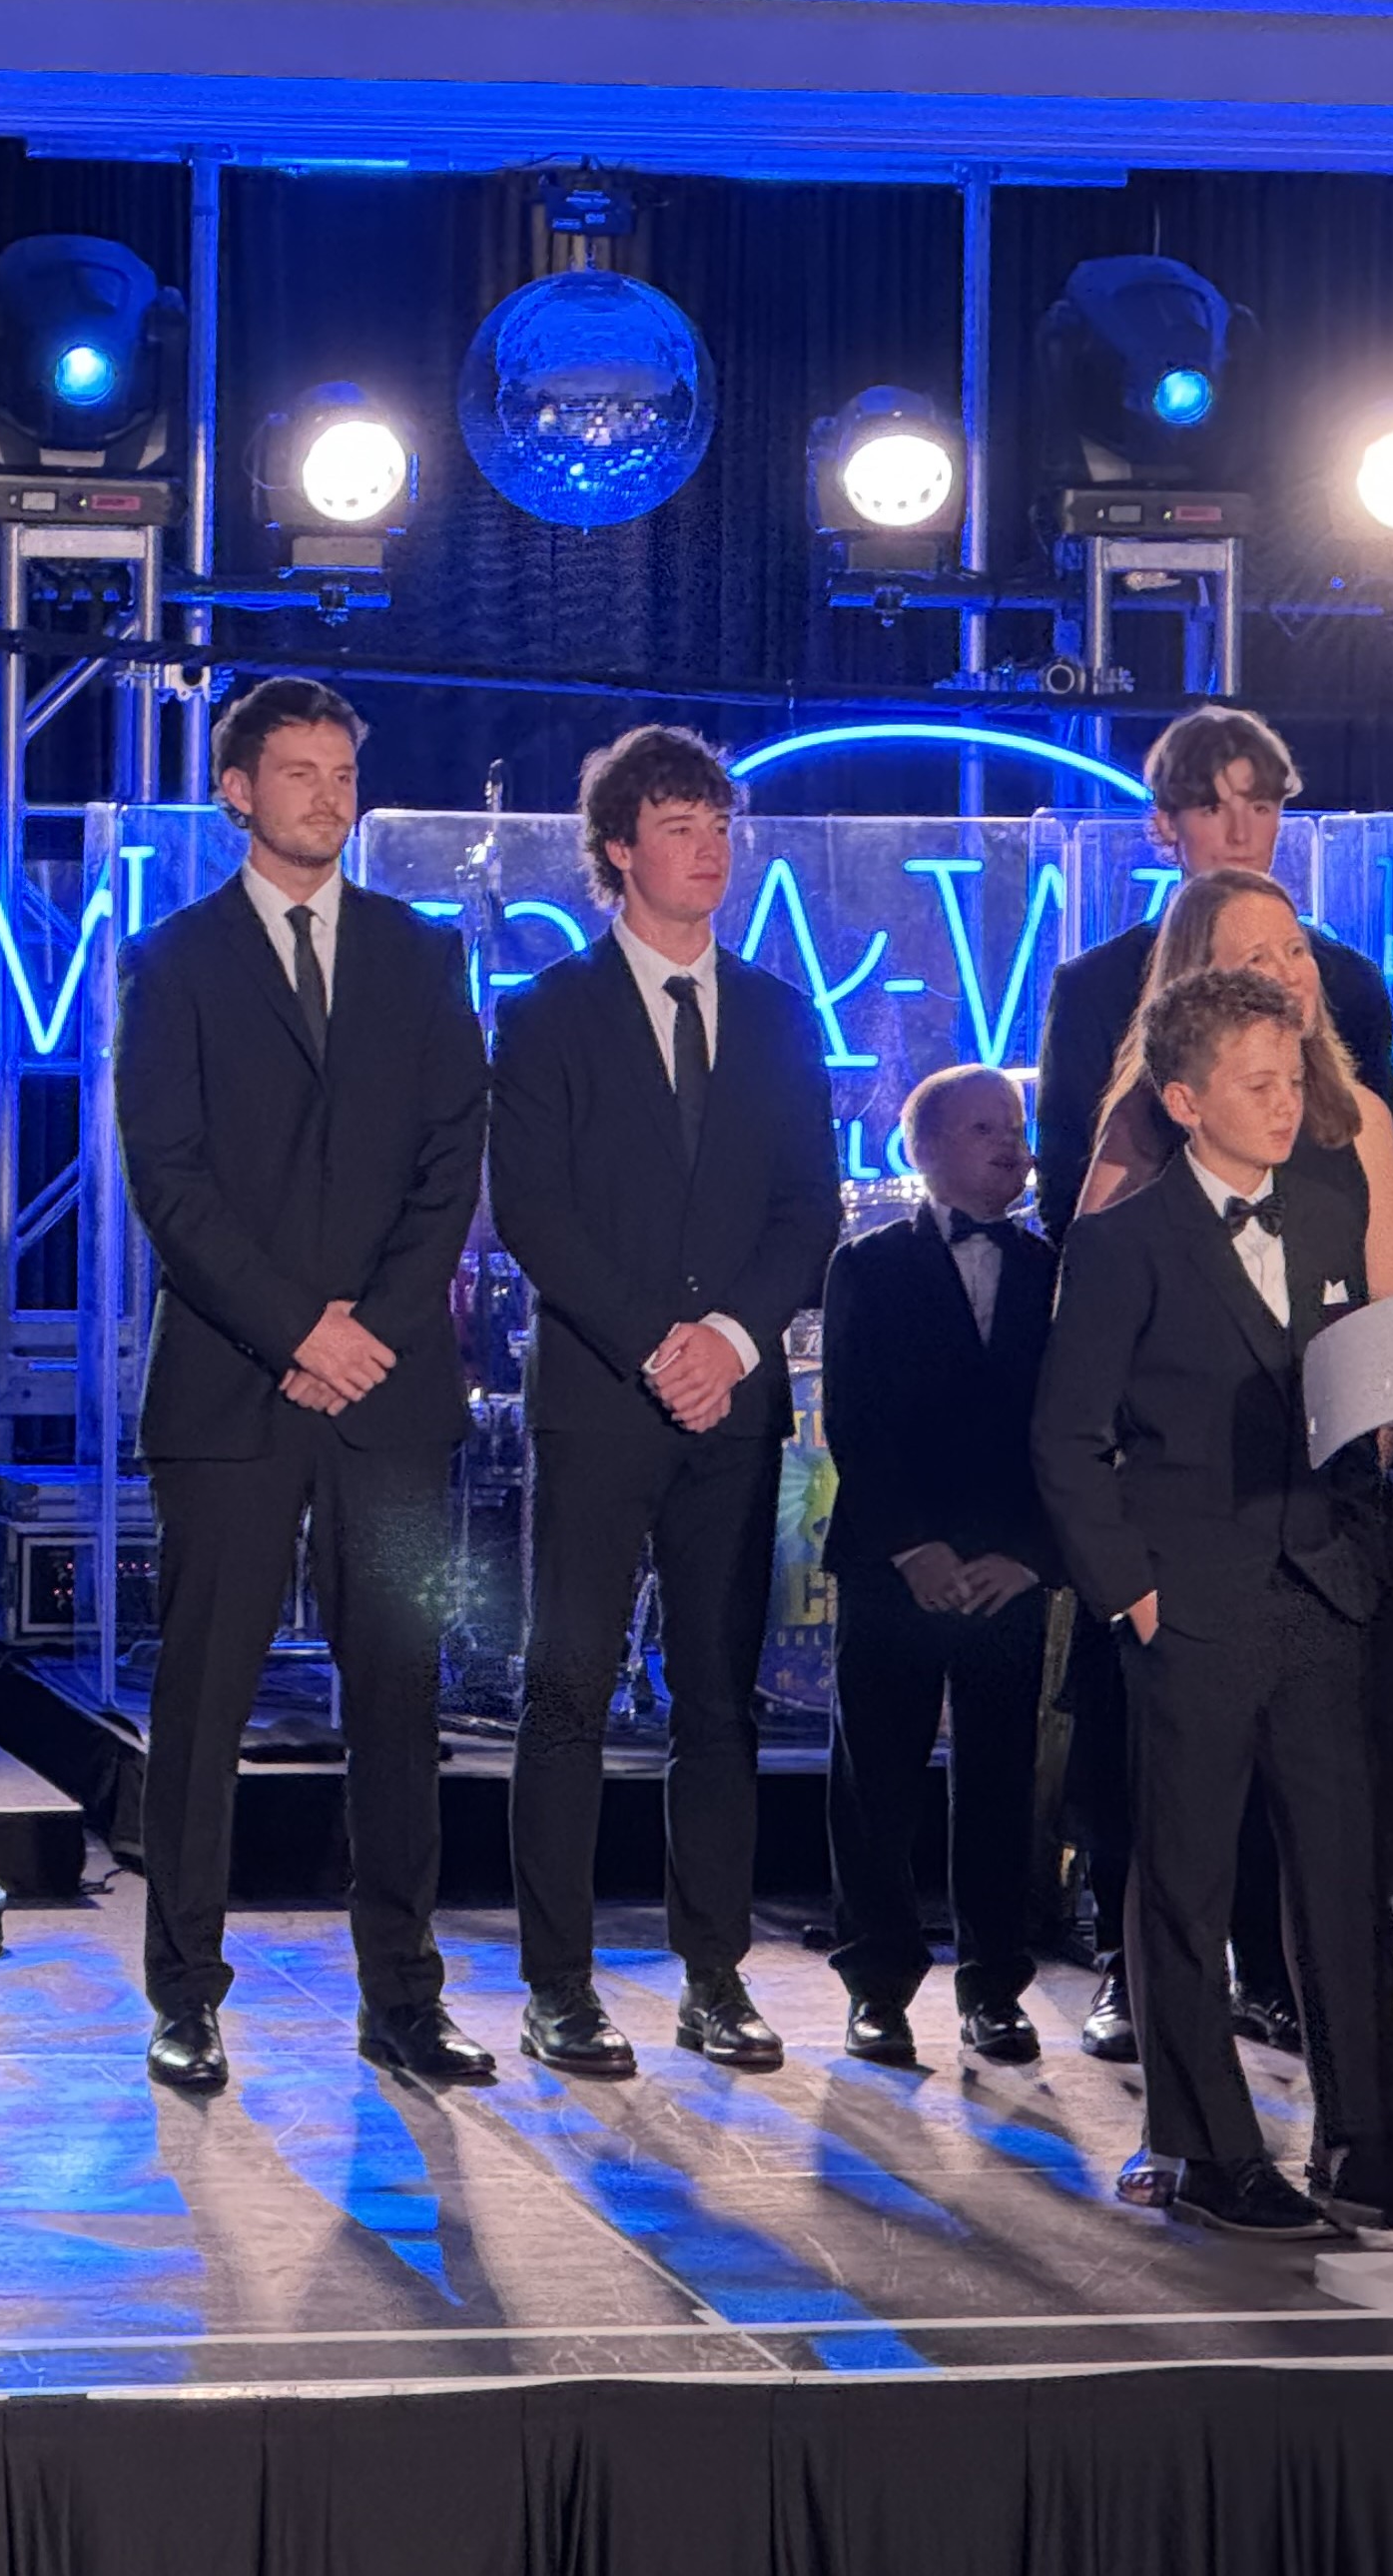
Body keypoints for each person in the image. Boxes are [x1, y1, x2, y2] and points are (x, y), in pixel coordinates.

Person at [115, 677, 491, 2096]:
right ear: (236, 792)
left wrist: (369, 1332)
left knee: (397, 1697)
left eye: (343, 773)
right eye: (298, 772)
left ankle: (403, 1996)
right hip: (231, 1388)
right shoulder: (174, 962)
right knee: (203, 1703)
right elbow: (170, 1180)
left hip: (388, 1387)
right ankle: (186, 1996)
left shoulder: (419, 951)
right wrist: (295, 1334)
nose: (328, 796)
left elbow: (454, 1156)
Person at [1032, 966, 1393, 2240]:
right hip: (1193, 1606)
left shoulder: (1330, 1204)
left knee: (1344, 1881)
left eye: (1292, 1078)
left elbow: (1366, 1386)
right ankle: (1207, 2149)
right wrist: (1135, 1597)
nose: (1285, 1102)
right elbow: (1066, 1440)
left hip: (1323, 1594)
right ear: (1185, 1101)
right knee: (1188, 1884)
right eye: (1256, 1085)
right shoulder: (1122, 1244)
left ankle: (1371, 2147)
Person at [487, 726, 842, 2079]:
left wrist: (733, 1342)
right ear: (618, 850)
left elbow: (806, 1207)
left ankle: (715, 1977)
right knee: (568, 1690)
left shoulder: (778, 1013)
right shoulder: (547, 1011)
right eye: (681, 827)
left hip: (734, 1405)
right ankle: (559, 1987)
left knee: (720, 1701)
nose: (710, 849)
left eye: (721, 826)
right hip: (600, 1397)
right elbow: (535, 1212)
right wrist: (659, 1346)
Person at [817, 1066, 1056, 2070]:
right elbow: (853, 1414)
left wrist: (1028, 1555)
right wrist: (913, 1547)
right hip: (894, 1563)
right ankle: (877, 1986)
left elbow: (1070, 1426)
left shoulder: (1054, 1269)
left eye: (1016, 1127)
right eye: (983, 1128)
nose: (1010, 1145)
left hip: (1009, 1568)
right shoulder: (867, 1264)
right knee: (876, 1780)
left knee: (1000, 1781)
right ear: (923, 1151)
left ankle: (994, 1988)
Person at [1033, 707, 1393, 1246]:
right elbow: (1068, 1194)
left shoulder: (1348, 983)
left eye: (1261, 807)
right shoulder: (1095, 988)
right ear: (1165, 822)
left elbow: (1376, 1182)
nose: (1240, 833)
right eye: (1212, 808)